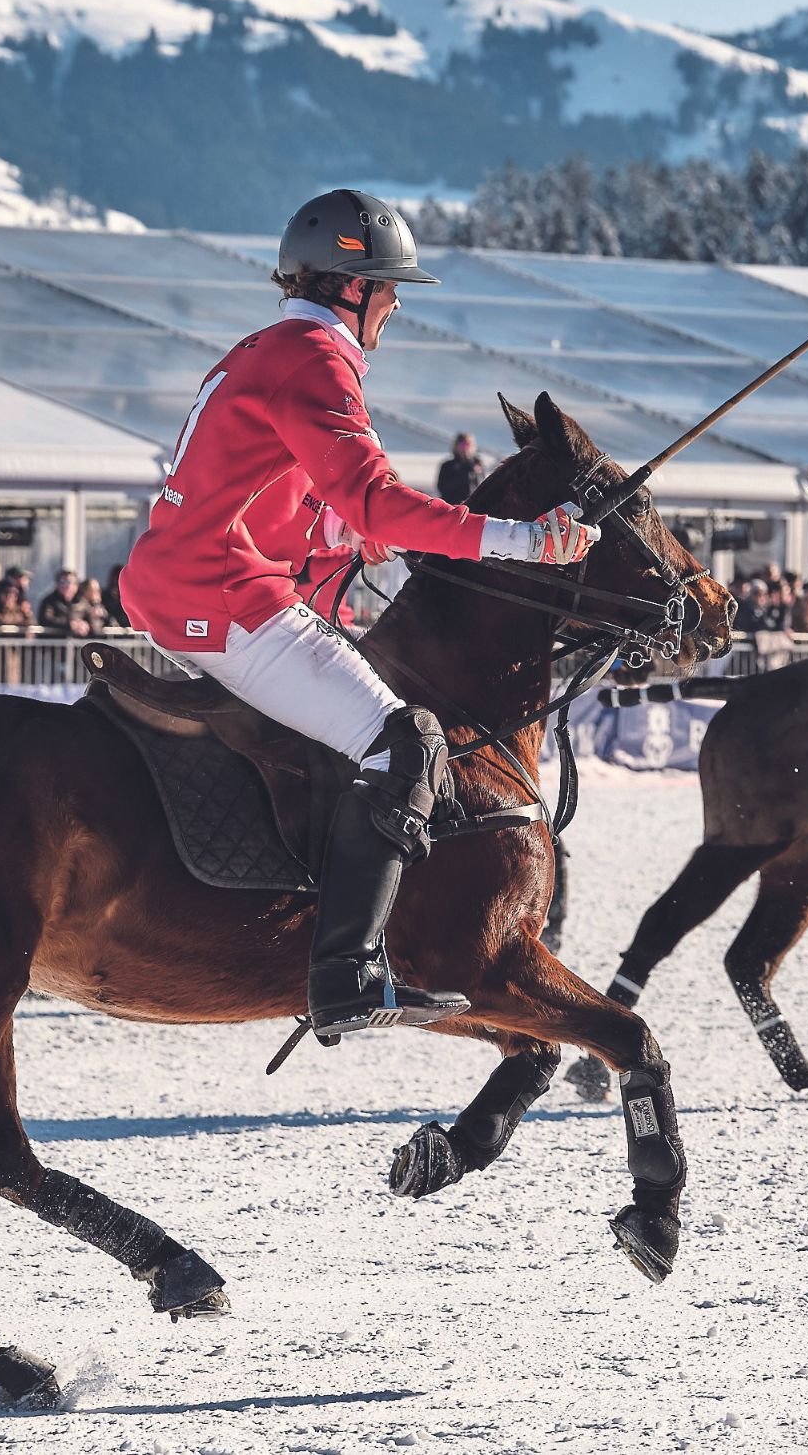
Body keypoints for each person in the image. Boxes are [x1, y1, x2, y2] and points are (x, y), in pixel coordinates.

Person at [118, 187, 597, 1042]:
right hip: (225, 595)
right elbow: (379, 500)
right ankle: (345, 972)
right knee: (407, 740)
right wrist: (523, 542)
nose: (397, 304)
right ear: (351, 286)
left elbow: (274, 497)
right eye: (388, 287)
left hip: (184, 581)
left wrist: (331, 528)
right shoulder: (315, 357)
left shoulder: (265, 347)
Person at [435, 432, 486, 505]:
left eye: (468, 445)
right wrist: (465, 475)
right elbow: (442, 488)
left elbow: (481, 486)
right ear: (456, 446)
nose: (466, 448)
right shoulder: (448, 465)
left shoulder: (477, 464)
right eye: (463, 445)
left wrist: (474, 472)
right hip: (452, 504)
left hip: (473, 505)